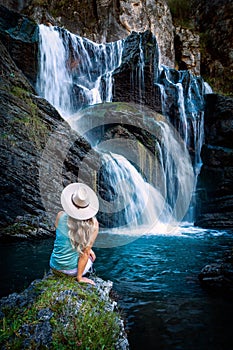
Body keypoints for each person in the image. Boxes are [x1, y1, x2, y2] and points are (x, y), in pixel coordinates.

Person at [49, 182, 99, 285]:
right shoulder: (93, 225)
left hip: (54, 266)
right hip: (70, 272)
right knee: (90, 257)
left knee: (88, 251)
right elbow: (84, 254)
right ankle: (84, 276)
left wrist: (89, 249)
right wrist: (79, 278)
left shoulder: (60, 215)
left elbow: (63, 239)